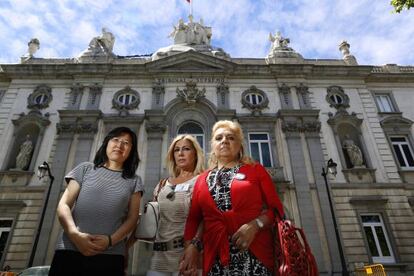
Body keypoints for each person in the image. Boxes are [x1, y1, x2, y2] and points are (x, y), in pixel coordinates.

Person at [180, 120, 284, 276]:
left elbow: (276, 210)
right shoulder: (202, 179)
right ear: (213, 146)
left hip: (255, 254)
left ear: (239, 145)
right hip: (215, 256)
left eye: (231, 137)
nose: (224, 141)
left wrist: (255, 225)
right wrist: (191, 248)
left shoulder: (256, 170)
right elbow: (194, 219)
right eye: (219, 138)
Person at [49, 126, 143, 276]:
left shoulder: (134, 181)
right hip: (69, 249)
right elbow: (64, 204)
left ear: (131, 150)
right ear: (106, 143)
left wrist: (110, 241)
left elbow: (133, 218)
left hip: (110, 255)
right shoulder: (85, 169)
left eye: (126, 142)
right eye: (116, 139)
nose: (119, 145)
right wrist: (74, 234)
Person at [128, 134, 204, 276]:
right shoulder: (162, 184)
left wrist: (196, 246)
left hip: (188, 258)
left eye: (186, 149)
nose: (180, 153)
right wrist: (126, 248)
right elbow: (148, 219)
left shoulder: (202, 181)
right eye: (176, 150)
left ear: (195, 153)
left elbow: (206, 218)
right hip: (159, 259)